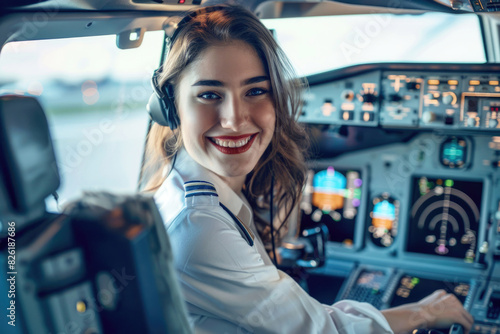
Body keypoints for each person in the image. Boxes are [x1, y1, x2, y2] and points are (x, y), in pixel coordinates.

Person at [142, 4, 474, 333]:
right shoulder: (201, 225)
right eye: (209, 94)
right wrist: (424, 313)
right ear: (170, 107)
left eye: (256, 91)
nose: (235, 119)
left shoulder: (190, 187)